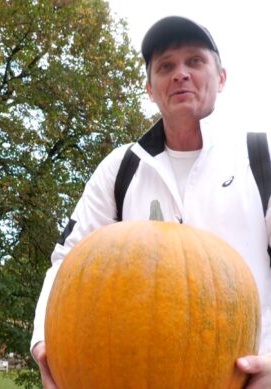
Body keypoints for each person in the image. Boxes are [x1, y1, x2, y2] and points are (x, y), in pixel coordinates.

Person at [31, 15, 271, 388]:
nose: (180, 74)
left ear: (221, 78)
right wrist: (44, 344)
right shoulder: (119, 168)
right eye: (165, 66)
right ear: (150, 87)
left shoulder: (261, 156)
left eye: (195, 61)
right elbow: (68, 261)